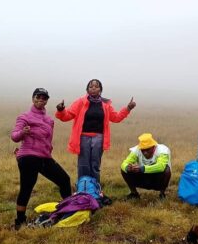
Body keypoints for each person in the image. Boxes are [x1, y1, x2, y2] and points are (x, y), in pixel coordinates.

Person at [55, 79, 136, 190]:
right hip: (83, 137)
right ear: (87, 89)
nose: (93, 88)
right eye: (91, 87)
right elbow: (67, 116)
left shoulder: (106, 104)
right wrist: (61, 110)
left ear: (100, 90)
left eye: (96, 86)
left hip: (99, 138)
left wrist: (128, 108)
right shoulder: (80, 102)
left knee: (95, 165)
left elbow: (116, 118)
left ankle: (95, 189)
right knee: (83, 165)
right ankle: (83, 188)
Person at [11, 88, 72, 230]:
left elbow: (48, 140)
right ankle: (20, 222)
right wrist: (22, 132)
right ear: (33, 98)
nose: (41, 100)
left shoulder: (49, 120)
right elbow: (14, 136)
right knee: (27, 187)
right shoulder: (24, 116)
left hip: (44, 157)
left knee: (64, 180)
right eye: (38, 97)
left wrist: (48, 152)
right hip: (28, 157)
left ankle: (68, 212)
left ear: (46, 101)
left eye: (44, 98)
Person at [120, 133, 171, 199]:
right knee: (124, 170)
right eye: (143, 150)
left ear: (153, 147)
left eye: (147, 149)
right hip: (143, 177)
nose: (145, 152)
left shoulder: (163, 150)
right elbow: (124, 164)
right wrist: (128, 168)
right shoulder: (136, 150)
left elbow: (161, 167)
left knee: (166, 170)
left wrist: (142, 169)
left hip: (157, 179)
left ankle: (162, 194)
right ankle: (134, 194)